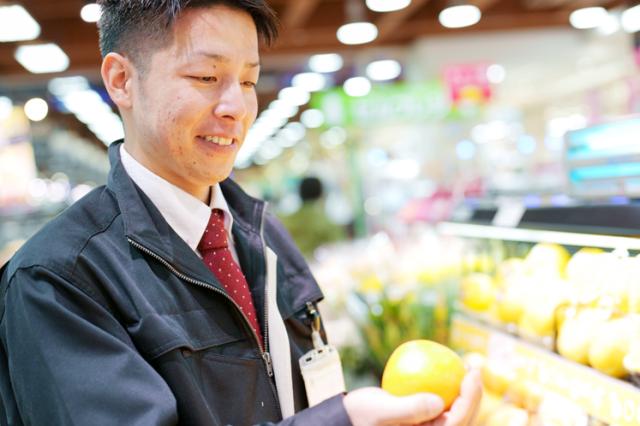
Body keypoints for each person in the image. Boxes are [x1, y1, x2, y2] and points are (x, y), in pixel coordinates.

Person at [0, 1, 481, 425]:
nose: (237, 107)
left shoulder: (257, 229)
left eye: (249, 80)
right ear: (122, 80)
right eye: (206, 77)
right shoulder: (57, 280)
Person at [280, 176, 347, 258]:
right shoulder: (325, 223)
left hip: (292, 264)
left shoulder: (285, 221)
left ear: (300, 193)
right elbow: (339, 248)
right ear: (321, 194)